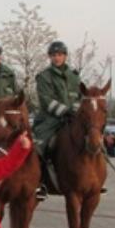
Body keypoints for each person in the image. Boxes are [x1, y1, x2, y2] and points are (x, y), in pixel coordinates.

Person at [32, 41, 81, 187]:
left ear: (65, 56)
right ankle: (38, 182)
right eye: (53, 55)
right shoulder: (44, 76)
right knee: (38, 147)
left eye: (60, 55)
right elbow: (46, 100)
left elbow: (79, 97)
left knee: (93, 140)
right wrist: (65, 111)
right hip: (50, 120)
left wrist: (75, 111)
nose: (57, 58)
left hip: (73, 118)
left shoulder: (74, 76)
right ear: (50, 57)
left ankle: (95, 179)